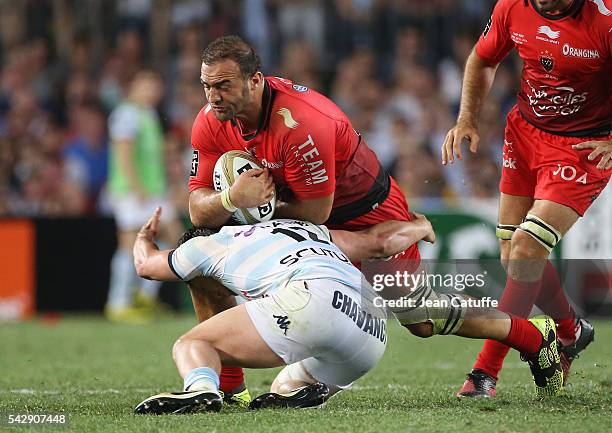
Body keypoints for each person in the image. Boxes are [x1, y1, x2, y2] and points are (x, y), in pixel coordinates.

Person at [132, 208, 562, 414]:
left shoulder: (205, 247)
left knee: (193, 343)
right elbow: (376, 243)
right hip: (369, 326)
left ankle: (201, 389)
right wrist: (420, 226)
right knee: (283, 388)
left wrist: (142, 236)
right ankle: (300, 392)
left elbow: (145, 266)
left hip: (311, 301)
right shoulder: (304, 227)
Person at [186, 35, 424, 403]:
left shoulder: (301, 121)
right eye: (207, 86)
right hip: (302, 219)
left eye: (223, 85)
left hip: (365, 211)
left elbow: (316, 212)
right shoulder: (210, 121)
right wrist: (233, 198)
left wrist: (253, 209)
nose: (213, 97)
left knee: (421, 319)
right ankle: (233, 389)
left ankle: (529, 336)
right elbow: (197, 207)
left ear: (255, 80)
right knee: (198, 241)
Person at [441, 0, 609, 397]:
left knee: (527, 246)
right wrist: (467, 119)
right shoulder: (512, 7)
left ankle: (484, 374)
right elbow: (482, 60)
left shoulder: (605, 20)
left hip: (582, 148)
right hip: (525, 133)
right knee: (511, 255)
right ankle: (571, 331)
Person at [105, 71, 183, 323]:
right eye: (148, 86)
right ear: (134, 86)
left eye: (156, 87)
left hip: (153, 190)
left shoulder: (147, 114)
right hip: (133, 191)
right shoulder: (126, 114)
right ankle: (118, 303)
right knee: (129, 243)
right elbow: (122, 152)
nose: (153, 92)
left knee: (174, 235)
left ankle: (144, 295)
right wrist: (135, 186)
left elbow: (153, 154)